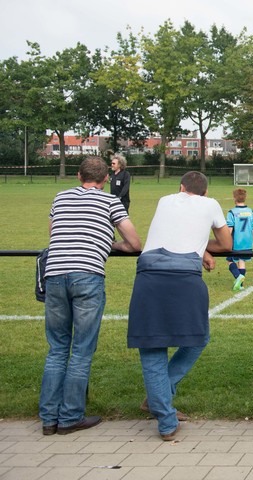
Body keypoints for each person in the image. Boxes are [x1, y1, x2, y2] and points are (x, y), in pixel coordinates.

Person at [39, 156, 142, 436]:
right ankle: (71, 416)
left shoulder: (60, 197)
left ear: (78, 176)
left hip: (55, 274)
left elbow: (53, 233)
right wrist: (109, 242)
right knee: (82, 350)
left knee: (57, 349)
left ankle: (48, 418)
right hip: (87, 275)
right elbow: (134, 243)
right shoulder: (110, 202)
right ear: (106, 178)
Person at [128, 171, 232, 441]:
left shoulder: (165, 200)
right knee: (199, 338)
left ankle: (164, 417)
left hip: (149, 274)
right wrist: (203, 248)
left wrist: (200, 247)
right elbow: (227, 243)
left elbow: (173, 231)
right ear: (206, 192)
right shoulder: (210, 204)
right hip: (184, 275)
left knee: (151, 347)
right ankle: (161, 400)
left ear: (180, 188)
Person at [226, 188, 253, 292]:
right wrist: (250, 240)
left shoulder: (232, 212)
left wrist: (226, 241)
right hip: (247, 242)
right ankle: (241, 285)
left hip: (236, 242)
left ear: (234, 198)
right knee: (242, 261)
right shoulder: (250, 211)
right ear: (245, 198)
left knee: (230, 261)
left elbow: (229, 229)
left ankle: (238, 276)